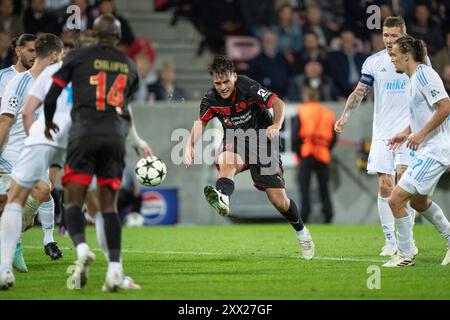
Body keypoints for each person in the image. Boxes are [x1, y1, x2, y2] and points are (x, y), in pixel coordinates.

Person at [42, 14, 150, 292]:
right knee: (109, 207)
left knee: (73, 199)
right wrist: (135, 141)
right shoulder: (128, 64)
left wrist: (48, 124)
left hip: (84, 134)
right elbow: (125, 106)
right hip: (114, 137)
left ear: (95, 33)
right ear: (116, 37)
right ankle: (115, 271)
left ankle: (81, 250)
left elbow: (52, 95)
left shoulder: (77, 57)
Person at [184, 55, 314, 260]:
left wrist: (277, 124)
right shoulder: (210, 99)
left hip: (263, 142)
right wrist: (190, 144)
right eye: (218, 83)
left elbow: (277, 103)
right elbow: (201, 122)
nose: (223, 87)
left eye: (226, 81)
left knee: (278, 200)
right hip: (236, 140)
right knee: (226, 161)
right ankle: (223, 197)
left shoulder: (248, 86)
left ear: (234, 76)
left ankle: (301, 231)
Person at [334, 16, 419, 257]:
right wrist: (345, 116)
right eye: (386, 35)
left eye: (394, 36)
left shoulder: (416, 59)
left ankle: (407, 240)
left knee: (404, 187)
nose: (389, 40)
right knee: (385, 187)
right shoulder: (373, 62)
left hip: (408, 133)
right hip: (382, 134)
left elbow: (426, 88)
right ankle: (391, 240)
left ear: (404, 34)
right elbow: (359, 92)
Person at [0, 33, 64, 289]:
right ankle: (8, 258)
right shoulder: (18, 81)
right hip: (9, 153)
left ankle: (13, 243)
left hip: (31, 154)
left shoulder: (50, 84)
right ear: (55, 55)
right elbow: (5, 120)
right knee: (40, 190)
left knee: (19, 207)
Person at [384, 35, 450, 267]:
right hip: (429, 149)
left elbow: (445, 107)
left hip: (436, 150)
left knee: (395, 200)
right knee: (418, 203)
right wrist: (406, 131)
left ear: (406, 55)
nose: (391, 59)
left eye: (394, 54)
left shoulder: (424, 75)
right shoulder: (413, 79)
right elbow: (425, 113)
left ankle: (405, 255)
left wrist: (421, 135)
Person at [292, 86, 336, 223]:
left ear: (306, 96)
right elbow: (334, 138)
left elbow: (295, 136)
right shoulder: (328, 113)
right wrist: (327, 149)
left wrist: (298, 153)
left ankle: (304, 214)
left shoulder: (302, 111)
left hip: (306, 152)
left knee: (304, 187)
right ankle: (328, 214)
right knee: (324, 187)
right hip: (323, 153)